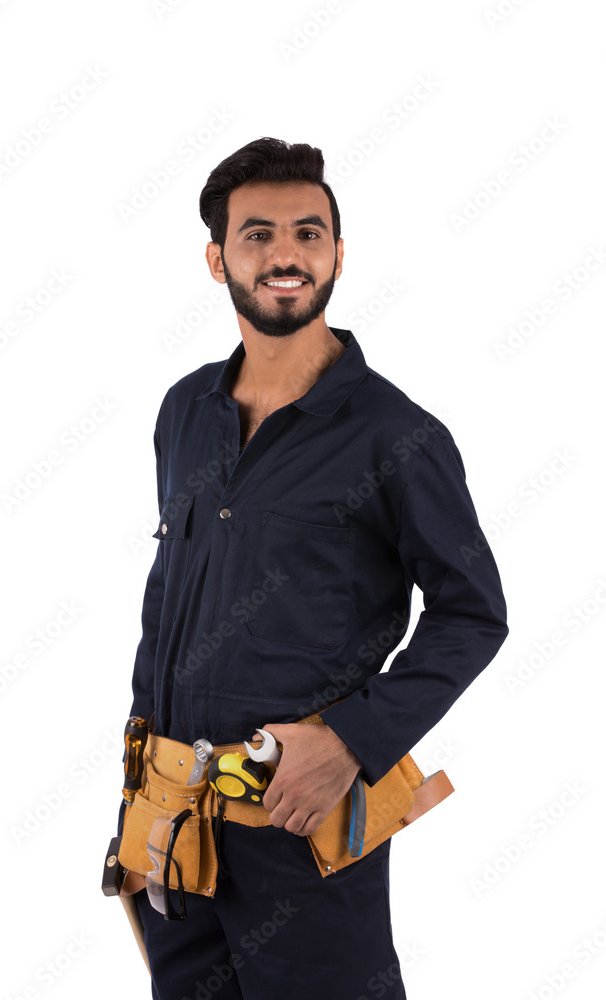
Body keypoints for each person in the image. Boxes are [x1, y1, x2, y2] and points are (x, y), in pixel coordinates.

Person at [117, 137, 508, 999]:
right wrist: (137, 796)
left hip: (302, 826)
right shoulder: (185, 411)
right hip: (173, 823)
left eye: (308, 232)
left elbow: (471, 612)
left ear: (336, 254)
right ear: (217, 259)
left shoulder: (396, 436)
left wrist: (351, 742)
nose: (285, 254)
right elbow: (167, 601)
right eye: (257, 234)